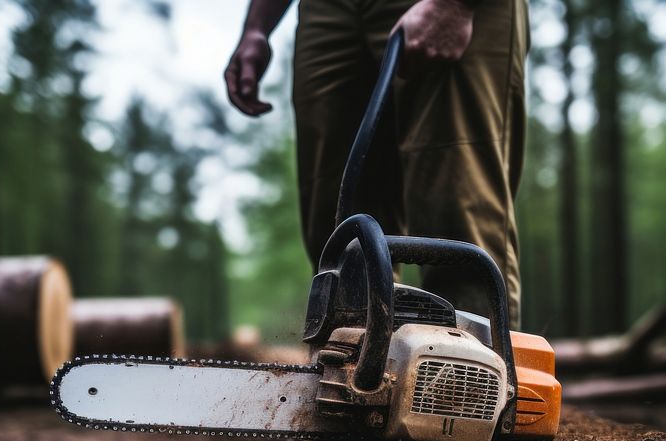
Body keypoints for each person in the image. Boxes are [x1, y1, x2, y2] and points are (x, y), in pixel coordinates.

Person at [225, 0, 528, 325]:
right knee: (341, 234)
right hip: (328, 10)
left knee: (455, 210)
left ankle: (475, 369)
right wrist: (256, 28)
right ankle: (351, 364)